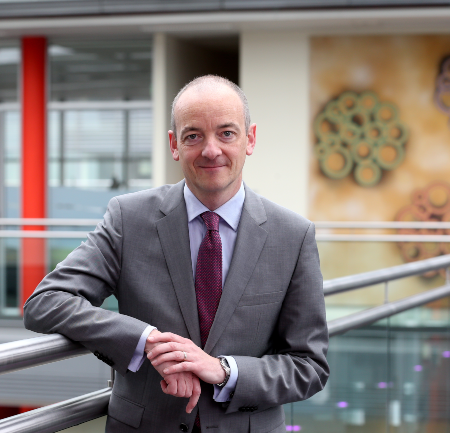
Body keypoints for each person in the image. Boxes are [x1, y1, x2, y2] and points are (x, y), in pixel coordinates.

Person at [23, 75, 329, 433]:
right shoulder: (129, 218)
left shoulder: (292, 235)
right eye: (193, 135)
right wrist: (149, 341)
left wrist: (224, 370)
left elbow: (309, 366)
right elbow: (45, 302)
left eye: (226, 133)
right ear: (174, 144)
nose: (210, 150)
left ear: (251, 139)